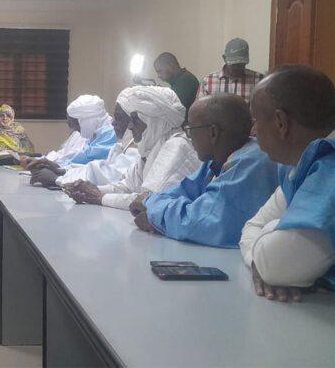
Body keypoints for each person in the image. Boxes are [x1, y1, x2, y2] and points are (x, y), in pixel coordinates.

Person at [132, 94, 279, 248]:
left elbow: (196, 223)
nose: (189, 138)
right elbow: (180, 192)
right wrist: (153, 207)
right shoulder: (216, 159)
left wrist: (155, 213)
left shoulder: (252, 163)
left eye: (190, 130)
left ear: (213, 133)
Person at [239, 65, 335, 302]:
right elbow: (251, 227)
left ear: (281, 122)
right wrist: (260, 260)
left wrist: (272, 239)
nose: (253, 131)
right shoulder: (301, 167)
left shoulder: (330, 171)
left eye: (256, 120)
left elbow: (275, 266)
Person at [66, 86, 201, 210]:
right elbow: (128, 186)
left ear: (154, 121)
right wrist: (89, 190)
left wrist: (100, 197)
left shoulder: (176, 145)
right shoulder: (151, 148)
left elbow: (149, 201)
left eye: (135, 120)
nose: (130, 126)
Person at [37, 90, 140, 188]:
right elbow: (99, 168)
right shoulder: (122, 142)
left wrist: (59, 178)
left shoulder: (111, 135)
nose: (113, 122)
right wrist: (63, 171)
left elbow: (109, 176)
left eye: (119, 118)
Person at [28, 95, 119, 185]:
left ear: (87, 120)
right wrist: (57, 167)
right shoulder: (96, 132)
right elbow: (81, 158)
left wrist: (58, 176)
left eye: (75, 123)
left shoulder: (110, 134)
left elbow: (91, 168)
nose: (74, 129)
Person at [198, 38, 264, 102]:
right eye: (233, 64)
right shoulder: (208, 81)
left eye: (241, 64)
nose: (237, 68)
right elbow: (199, 108)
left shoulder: (259, 81)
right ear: (224, 58)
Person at [153, 52, 199, 119]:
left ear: (171, 65)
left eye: (159, 71)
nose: (158, 76)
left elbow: (174, 112)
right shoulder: (180, 80)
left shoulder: (185, 80)